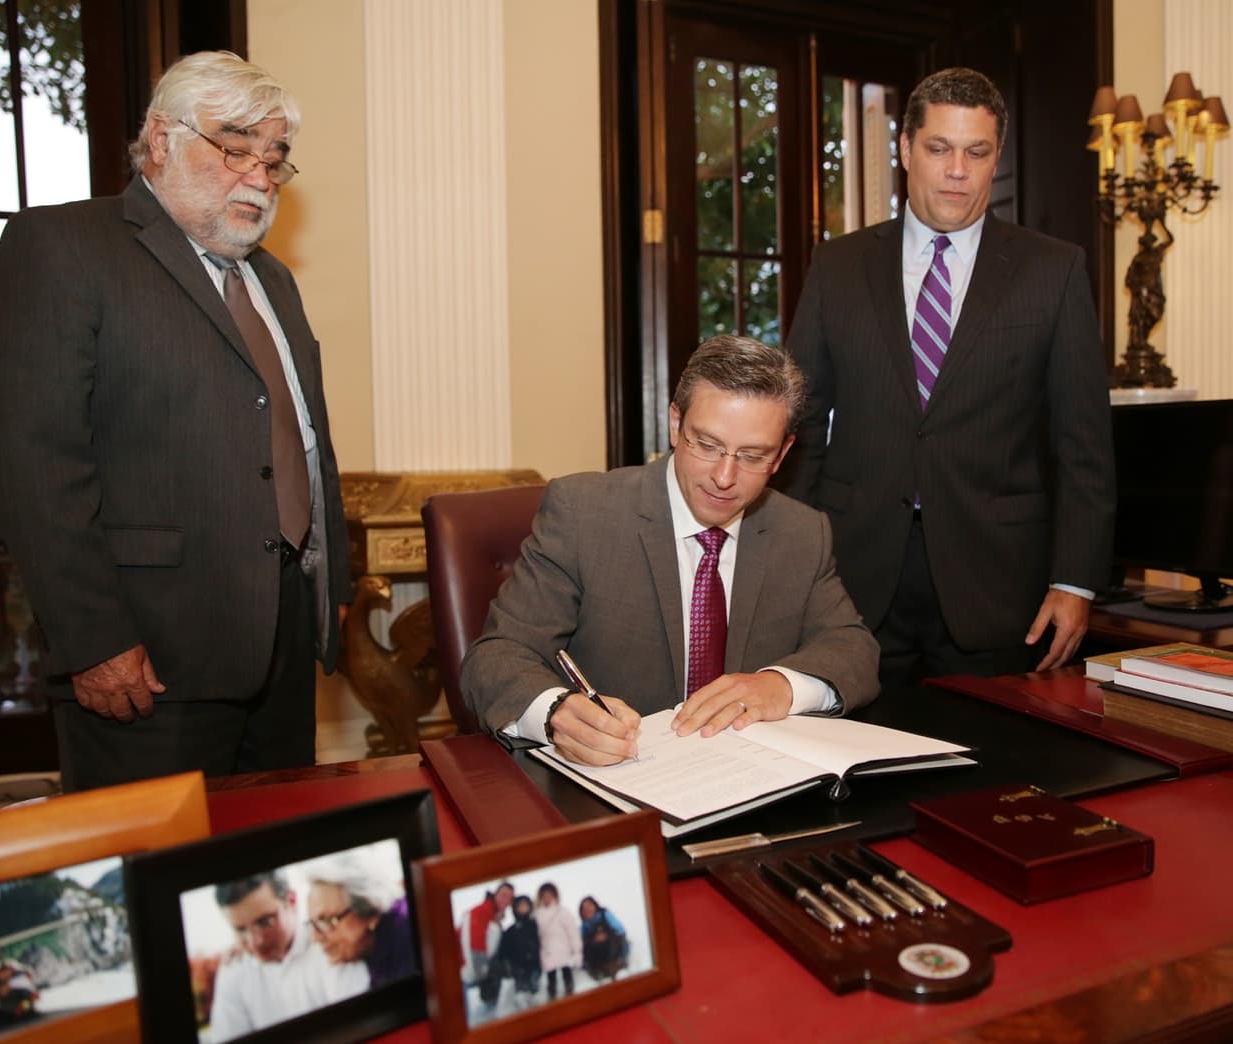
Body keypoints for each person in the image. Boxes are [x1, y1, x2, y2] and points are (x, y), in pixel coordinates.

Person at [0, 50, 352, 791]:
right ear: (159, 142)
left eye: (274, 160)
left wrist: (326, 580)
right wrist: (93, 640)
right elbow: (34, 464)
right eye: (235, 148)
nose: (259, 177)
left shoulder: (272, 278)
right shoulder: (63, 249)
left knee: (275, 865)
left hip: (279, 645)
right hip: (149, 657)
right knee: (159, 884)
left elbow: (306, 443)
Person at [779, 67, 1114, 690]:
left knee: (993, 779)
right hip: (854, 578)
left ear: (995, 159)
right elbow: (801, 428)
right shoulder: (838, 266)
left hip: (1000, 585)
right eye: (939, 149)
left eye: (976, 152)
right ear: (906, 150)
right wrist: (791, 566)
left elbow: (1083, 445)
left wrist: (1074, 582)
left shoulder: (1054, 271)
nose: (957, 169)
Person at [461, 334, 879, 766]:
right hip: (619, 784)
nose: (724, 476)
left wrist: (780, 686)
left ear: (782, 454)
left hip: (751, 782)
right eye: (708, 444)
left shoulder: (802, 532)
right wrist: (555, 713)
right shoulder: (583, 514)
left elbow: (854, 649)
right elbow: (495, 656)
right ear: (676, 425)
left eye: (753, 455)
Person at [209, 871, 366, 1042]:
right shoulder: (232, 970)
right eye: (240, 929)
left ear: (291, 902)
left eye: (265, 922)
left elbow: (357, 1025)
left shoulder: (331, 945)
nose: (255, 942)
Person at [304, 854, 417, 989]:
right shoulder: (374, 951)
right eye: (314, 924)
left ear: (370, 912)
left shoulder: (409, 940)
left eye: (326, 921)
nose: (316, 938)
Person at [458, 882, 514, 1011]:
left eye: (510, 898)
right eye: (503, 895)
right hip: (464, 972)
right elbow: (474, 944)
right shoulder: (482, 911)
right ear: (495, 894)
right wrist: (481, 971)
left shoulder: (495, 917)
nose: (506, 900)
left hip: (476, 973)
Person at [534, 882, 580, 1000]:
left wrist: (577, 950)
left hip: (563, 950)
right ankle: (552, 998)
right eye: (544, 896)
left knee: (566, 973)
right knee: (551, 977)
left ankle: (570, 995)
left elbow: (572, 932)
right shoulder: (537, 915)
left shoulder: (562, 911)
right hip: (548, 952)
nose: (547, 899)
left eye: (549, 895)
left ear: (555, 896)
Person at [494, 895, 542, 1005]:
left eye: (525, 905)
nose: (523, 908)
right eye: (520, 906)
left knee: (536, 990)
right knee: (521, 992)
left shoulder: (535, 924)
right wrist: (506, 966)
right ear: (515, 909)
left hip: (535, 965)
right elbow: (503, 951)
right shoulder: (510, 931)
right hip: (518, 968)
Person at [578, 898, 627, 982]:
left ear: (595, 906)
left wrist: (606, 935)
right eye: (584, 909)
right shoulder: (584, 927)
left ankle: (616, 966)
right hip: (597, 959)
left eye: (589, 906)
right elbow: (579, 945)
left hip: (613, 952)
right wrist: (593, 940)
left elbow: (621, 931)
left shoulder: (605, 915)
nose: (587, 910)